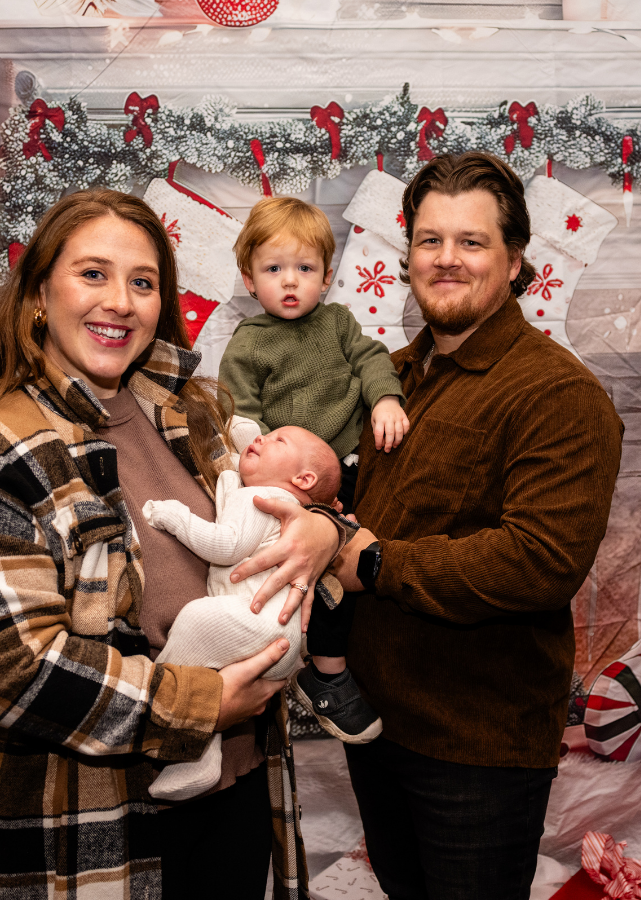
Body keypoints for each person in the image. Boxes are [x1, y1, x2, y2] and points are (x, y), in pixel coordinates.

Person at [0, 189, 344, 900]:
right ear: (40, 292)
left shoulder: (185, 410)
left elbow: (298, 481)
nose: (120, 301)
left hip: (234, 788)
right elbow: (14, 669)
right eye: (93, 273)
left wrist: (324, 528)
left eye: (142, 282)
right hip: (85, 822)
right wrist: (199, 702)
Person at [238, 152, 624, 898]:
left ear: (515, 262)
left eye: (471, 243)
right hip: (379, 726)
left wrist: (367, 560)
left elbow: (538, 562)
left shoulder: (558, 394)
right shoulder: (395, 373)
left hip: (476, 746)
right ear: (408, 254)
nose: (447, 260)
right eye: (429, 240)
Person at [219, 195, 406, 743]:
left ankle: (364, 661)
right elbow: (240, 418)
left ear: (327, 277)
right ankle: (326, 673)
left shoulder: (339, 323)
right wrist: (250, 475)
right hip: (291, 485)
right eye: (273, 269)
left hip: (350, 468)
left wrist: (386, 399)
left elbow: (374, 360)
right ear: (250, 281)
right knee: (314, 576)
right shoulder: (249, 343)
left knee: (367, 559)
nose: (290, 282)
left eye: (304, 269)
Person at [144, 425, 343, 801]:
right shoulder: (265, 489)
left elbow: (226, 546)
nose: (262, 440)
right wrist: (256, 438)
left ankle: (170, 726)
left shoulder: (264, 496)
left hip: (265, 625)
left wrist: (174, 516)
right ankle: (199, 756)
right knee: (211, 679)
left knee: (194, 623)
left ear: (303, 478)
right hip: (274, 631)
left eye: (277, 440)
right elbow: (242, 439)